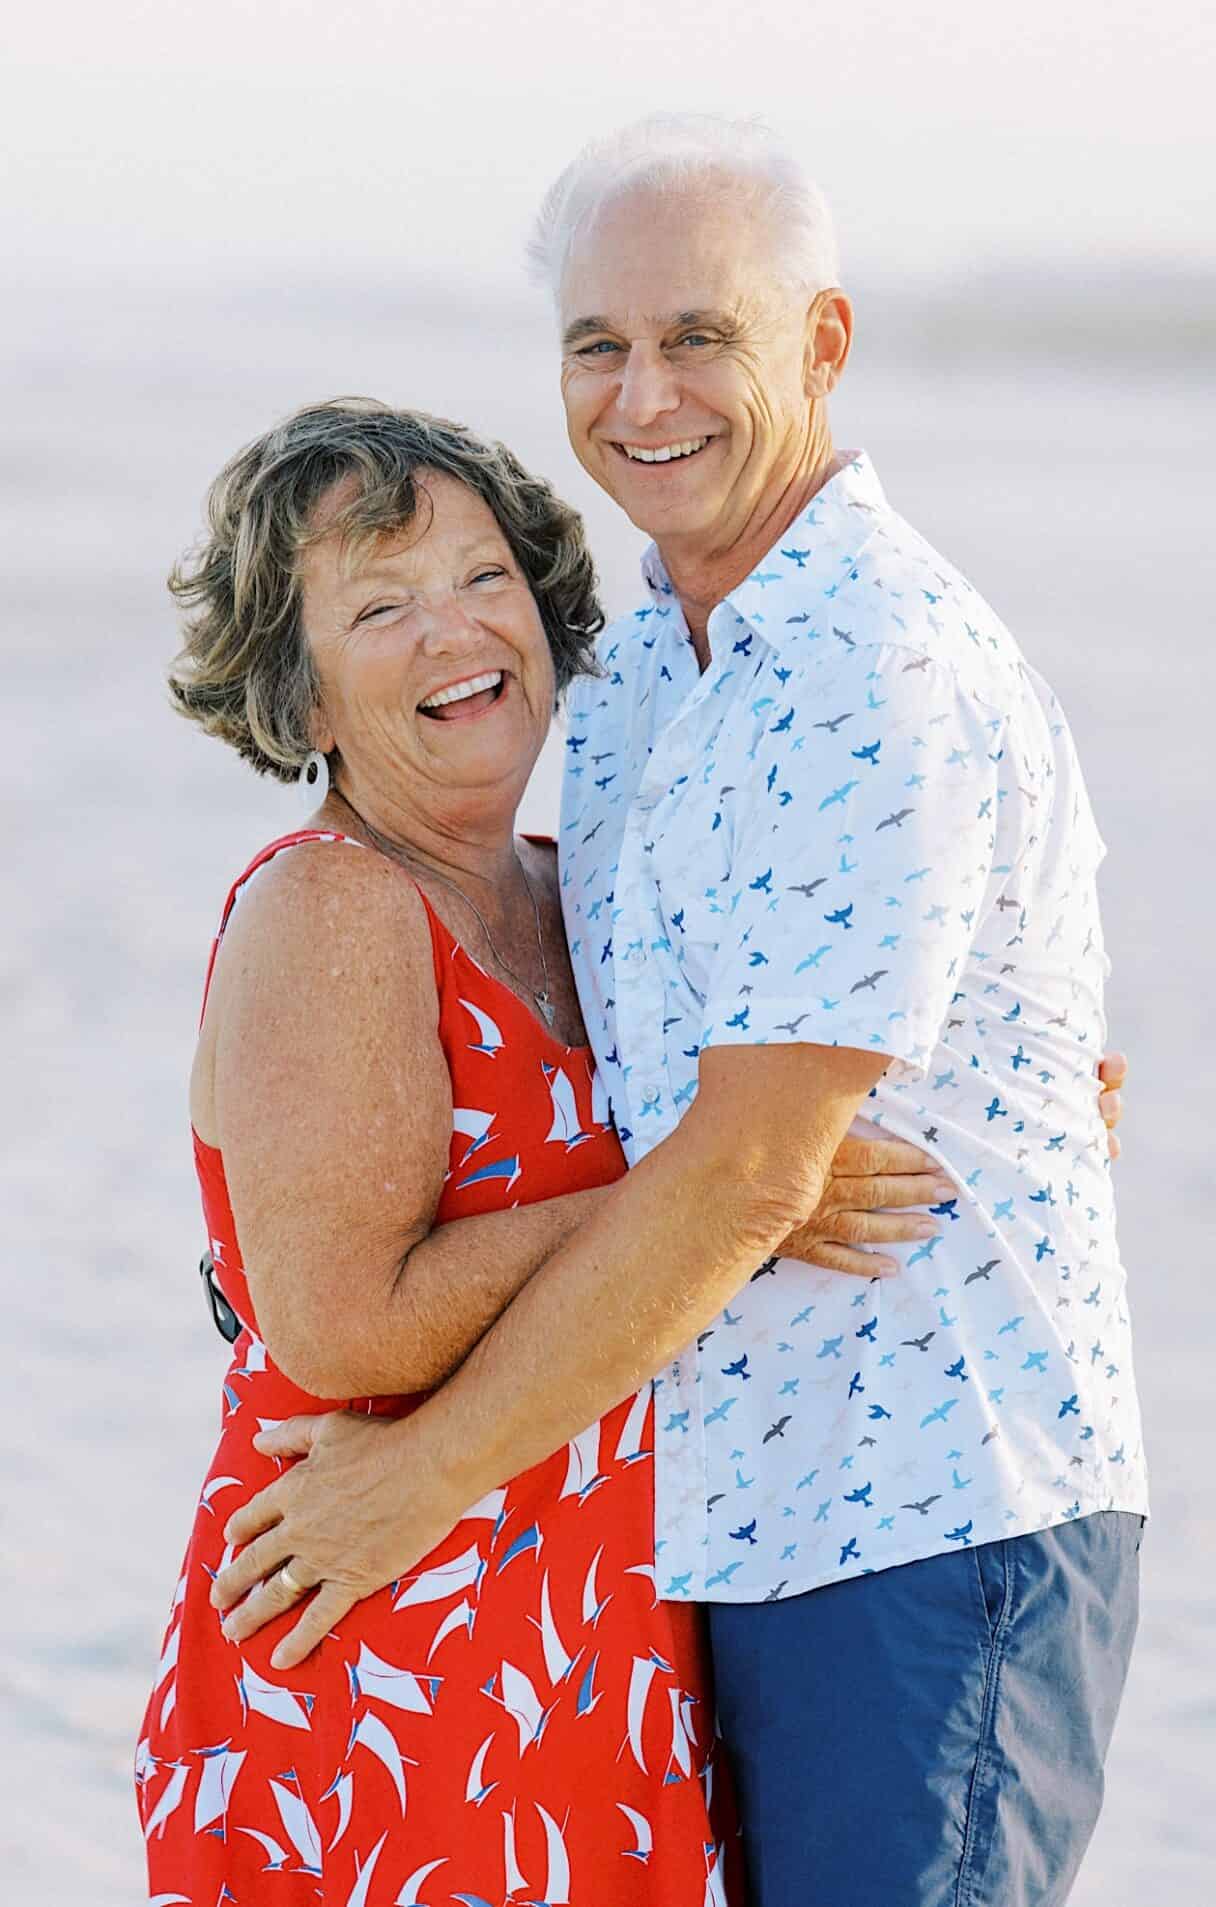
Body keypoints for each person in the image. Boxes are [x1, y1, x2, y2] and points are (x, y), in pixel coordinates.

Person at [205, 116, 1149, 1907]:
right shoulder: (639, 677)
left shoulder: (880, 665)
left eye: (700, 336)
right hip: (698, 1541)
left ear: (823, 344)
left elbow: (741, 1170)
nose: (645, 394)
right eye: (598, 346)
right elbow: (701, 1151)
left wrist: (408, 1493)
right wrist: (770, 1171)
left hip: (928, 1509)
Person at [135, 400, 979, 1900]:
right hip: (384, 1648)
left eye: (482, 577)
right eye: (378, 607)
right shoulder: (330, 907)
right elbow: (342, 1324)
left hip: (591, 1645)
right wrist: (728, 1200)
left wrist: (1002, 1109)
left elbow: (792, 1089)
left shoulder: (580, 879)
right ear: (304, 696)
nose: (453, 631)